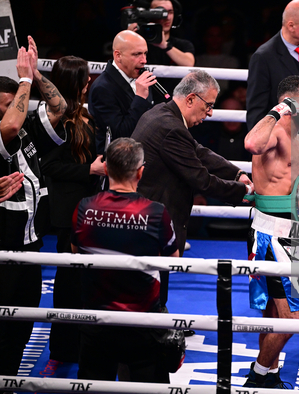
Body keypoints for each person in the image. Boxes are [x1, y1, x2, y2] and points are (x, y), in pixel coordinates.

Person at [131, 70, 252, 308]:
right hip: (151, 222)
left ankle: (158, 325)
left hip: (147, 215)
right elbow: (201, 180)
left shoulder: (162, 113)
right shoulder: (170, 128)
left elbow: (197, 151)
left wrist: (235, 173)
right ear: (190, 99)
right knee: (149, 290)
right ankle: (154, 331)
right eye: (208, 105)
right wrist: (244, 193)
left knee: (153, 287)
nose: (210, 113)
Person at [71, 137, 178, 381]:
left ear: (106, 168)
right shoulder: (155, 211)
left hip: (96, 320)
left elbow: (76, 251)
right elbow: (174, 258)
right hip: (142, 323)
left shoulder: (85, 207)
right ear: (141, 172)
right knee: (149, 387)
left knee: (93, 386)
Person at [242, 75, 299, 388]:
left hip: (291, 231)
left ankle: (270, 373)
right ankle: (258, 376)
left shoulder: (297, 134)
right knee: (292, 321)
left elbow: (296, 184)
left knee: (274, 309)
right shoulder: (275, 129)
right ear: (291, 102)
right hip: (275, 235)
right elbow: (251, 143)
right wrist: (276, 111)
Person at [0, 36, 67, 379]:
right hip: (3, 247)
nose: (17, 109)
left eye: (18, 103)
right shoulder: (5, 129)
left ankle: (8, 377)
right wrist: (25, 80)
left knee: (23, 318)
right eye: (8, 104)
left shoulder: (24, 129)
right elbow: (9, 124)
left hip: (31, 245)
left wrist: (37, 75)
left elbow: (59, 109)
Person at [39, 56, 105, 363]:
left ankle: (82, 347)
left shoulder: (82, 115)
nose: (89, 81)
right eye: (84, 77)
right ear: (73, 82)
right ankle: (62, 351)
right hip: (69, 212)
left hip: (88, 208)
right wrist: (90, 170)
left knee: (86, 282)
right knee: (68, 284)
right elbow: (49, 165)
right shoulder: (58, 119)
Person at [246, 0, 299, 132]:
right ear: (291, 26)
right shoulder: (263, 57)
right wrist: (262, 146)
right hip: (282, 137)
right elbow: (256, 108)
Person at [88, 30, 157, 154]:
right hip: (120, 162)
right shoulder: (102, 88)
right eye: (137, 54)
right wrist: (140, 98)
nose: (144, 60)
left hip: (145, 154)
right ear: (118, 55)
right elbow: (120, 135)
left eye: (145, 53)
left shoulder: (141, 76)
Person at [129, 0, 195, 99]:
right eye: (161, 11)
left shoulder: (182, 44)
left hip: (173, 102)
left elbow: (189, 62)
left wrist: (165, 45)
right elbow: (120, 61)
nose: (167, 17)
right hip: (141, 101)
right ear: (149, 13)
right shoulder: (137, 43)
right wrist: (128, 38)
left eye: (170, 12)